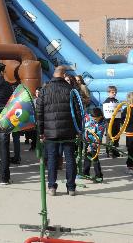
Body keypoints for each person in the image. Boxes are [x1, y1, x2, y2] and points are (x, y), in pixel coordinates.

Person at [36, 66, 81, 196]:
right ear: (63, 75)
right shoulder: (70, 90)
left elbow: (39, 113)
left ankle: (51, 187)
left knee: (52, 158)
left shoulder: (45, 89)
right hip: (68, 130)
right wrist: (79, 129)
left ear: (54, 74)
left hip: (50, 132)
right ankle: (71, 187)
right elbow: (78, 112)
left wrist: (41, 132)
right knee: (70, 158)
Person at [83, 107, 105, 181]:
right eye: (93, 118)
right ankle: (85, 173)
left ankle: (99, 175)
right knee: (87, 158)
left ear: (100, 117)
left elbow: (99, 135)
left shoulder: (102, 124)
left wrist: (93, 144)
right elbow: (85, 128)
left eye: (95, 119)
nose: (94, 120)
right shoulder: (88, 118)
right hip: (87, 140)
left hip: (95, 142)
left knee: (95, 159)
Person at [102, 85, 120, 158]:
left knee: (116, 136)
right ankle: (109, 151)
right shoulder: (106, 102)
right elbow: (105, 112)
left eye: (115, 92)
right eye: (113, 92)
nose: (114, 93)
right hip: (109, 122)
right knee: (109, 136)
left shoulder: (117, 101)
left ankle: (115, 151)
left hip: (116, 121)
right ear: (108, 93)